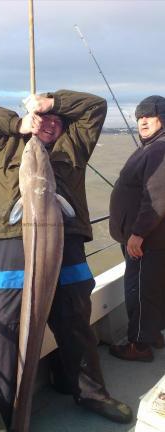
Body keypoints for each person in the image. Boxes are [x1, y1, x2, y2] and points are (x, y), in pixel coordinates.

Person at [0, 90, 132, 429]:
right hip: (8, 247)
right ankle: (4, 412)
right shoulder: (3, 147)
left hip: (65, 244)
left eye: (57, 121)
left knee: (75, 322)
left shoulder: (74, 148)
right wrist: (18, 123)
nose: (50, 126)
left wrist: (51, 104)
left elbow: (95, 107)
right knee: (4, 333)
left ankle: (89, 392)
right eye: (44, 121)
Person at [109, 95, 165, 362]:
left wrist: (138, 233)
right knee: (152, 289)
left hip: (147, 240)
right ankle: (153, 334)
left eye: (149, 116)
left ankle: (139, 347)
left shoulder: (158, 149)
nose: (142, 120)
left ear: (162, 119)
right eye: (139, 116)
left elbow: (156, 197)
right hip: (152, 239)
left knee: (139, 291)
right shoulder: (152, 147)